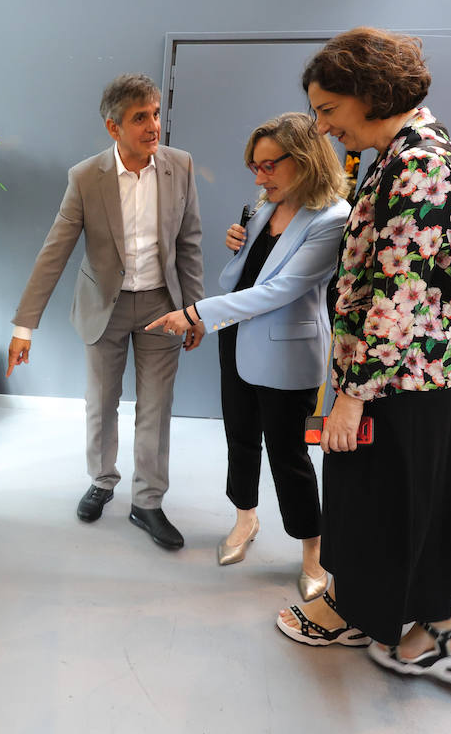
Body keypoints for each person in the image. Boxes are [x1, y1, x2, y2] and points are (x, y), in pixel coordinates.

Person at [274, 27, 451, 690]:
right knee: (403, 508)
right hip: (416, 374)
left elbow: (404, 296)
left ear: (369, 96)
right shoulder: (408, 151)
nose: (322, 125)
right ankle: (424, 630)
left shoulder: (418, 164)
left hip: (401, 380)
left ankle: (398, 626)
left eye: (329, 110)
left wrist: (352, 394)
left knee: (389, 506)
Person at [147, 113, 348, 599]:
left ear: (303, 160)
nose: (259, 177)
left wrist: (193, 313)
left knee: (288, 456)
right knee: (240, 438)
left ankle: (312, 553)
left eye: (267, 166)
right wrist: (240, 245)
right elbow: (236, 280)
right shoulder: (262, 209)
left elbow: (279, 290)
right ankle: (245, 520)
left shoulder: (333, 218)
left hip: (286, 353)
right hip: (236, 342)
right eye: (254, 167)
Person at [6, 73, 203, 549]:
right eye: (141, 118)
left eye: (155, 113)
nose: (153, 125)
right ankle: (101, 480)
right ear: (113, 128)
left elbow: (188, 240)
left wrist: (195, 309)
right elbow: (54, 252)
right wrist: (23, 326)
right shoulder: (85, 177)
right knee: (101, 401)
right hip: (103, 306)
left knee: (157, 406)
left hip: (162, 304)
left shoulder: (180, 166)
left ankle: (148, 503)